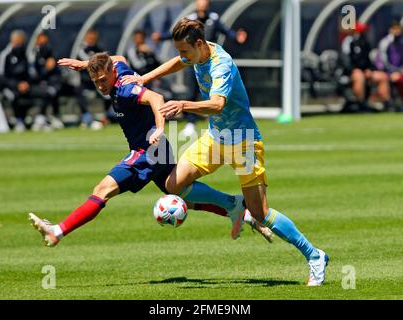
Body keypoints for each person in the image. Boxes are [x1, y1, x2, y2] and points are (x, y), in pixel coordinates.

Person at [122, 18, 328, 286]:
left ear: (198, 44)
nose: (182, 57)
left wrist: (183, 104)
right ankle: (233, 204)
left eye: (185, 51)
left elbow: (217, 105)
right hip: (215, 138)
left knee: (261, 213)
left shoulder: (222, 65)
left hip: (243, 141)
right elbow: (179, 62)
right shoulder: (197, 52)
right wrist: (146, 77)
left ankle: (314, 256)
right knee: (173, 184)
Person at [29, 52, 273, 248]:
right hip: (158, 149)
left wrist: (159, 127)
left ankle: (57, 232)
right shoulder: (119, 70)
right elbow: (119, 59)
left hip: (148, 150)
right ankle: (238, 207)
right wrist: (86, 64)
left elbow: (156, 98)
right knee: (181, 191)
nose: (101, 86)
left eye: (104, 80)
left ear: (112, 74)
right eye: (96, 82)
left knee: (102, 190)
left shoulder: (125, 89)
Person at [152, 0, 247, 138]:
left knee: (214, 98)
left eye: (203, 6)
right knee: (193, 92)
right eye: (199, 6)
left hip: (241, 134)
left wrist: (236, 37)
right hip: (196, 63)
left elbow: (226, 31)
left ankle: (213, 124)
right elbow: (177, 41)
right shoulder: (191, 19)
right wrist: (160, 37)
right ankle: (191, 124)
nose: (201, 8)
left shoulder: (214, 20)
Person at [0, 30, 53, 132]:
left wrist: (26, 83)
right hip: (10, 87)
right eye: (17, 42)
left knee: (47, 92)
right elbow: (1, 76)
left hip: (27, 85)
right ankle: (19, 120)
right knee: (12, 96)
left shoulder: (27, 54)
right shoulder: (5, 55)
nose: (19, 44)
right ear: (12, 41)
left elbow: (32, 73)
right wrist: (17, 84)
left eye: (20, 42)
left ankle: (40, 119)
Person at [340, 23, 391, 112]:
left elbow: (368, 60)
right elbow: (346, 60)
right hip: (351, 72)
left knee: (383, 76)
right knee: (359, 77)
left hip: (365, 71)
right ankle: (361, 103)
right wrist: (354, 70)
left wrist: (369, 70)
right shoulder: (348, 42)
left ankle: (387, 103)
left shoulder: (365, 42)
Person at [77, 29, 114, 127]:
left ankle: (106, 117)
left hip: (99, 82)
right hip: (86, 83)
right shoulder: (81, 50)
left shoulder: (100, 49)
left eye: (93, 38)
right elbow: (89, 63)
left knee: (110, 93)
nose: (91, 40)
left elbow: (106, 62)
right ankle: (86, 117)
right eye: (90, 37)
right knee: (78, 91)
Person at [29, 32, 64, 131]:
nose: (43, 45)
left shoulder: (52, 53)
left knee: (52, 90)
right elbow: (34, 75)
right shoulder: (32, 54)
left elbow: (57, 73)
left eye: (45, 42)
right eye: (41, 42)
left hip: (50, 84)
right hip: (35, 85)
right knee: (48, 91)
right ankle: (41, 118)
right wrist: (46, 69)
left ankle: (54, 117)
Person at [377, 21, 403, 112]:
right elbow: (383, 61)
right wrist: (393, 71)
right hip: (388, 71)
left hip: (399, 71)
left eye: (398, 29)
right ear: (390, 30)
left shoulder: (401, 41)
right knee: (398, 79)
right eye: (394, 29)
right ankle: (392, 104)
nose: (397, 31)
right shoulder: (385, 42)